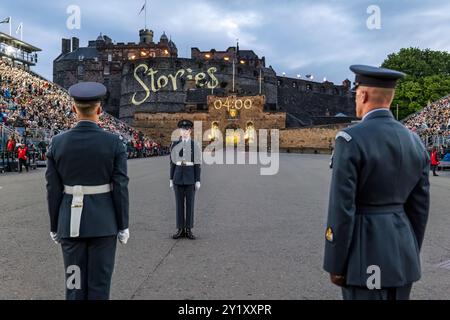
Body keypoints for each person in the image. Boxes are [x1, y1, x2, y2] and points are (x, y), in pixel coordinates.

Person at [324, 65, 430, 300]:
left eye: (356, 94)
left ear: (363, 95)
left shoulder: (351, 139)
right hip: (403, 257)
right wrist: (410, 251)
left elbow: (342, 209)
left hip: (364, 257)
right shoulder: (415, 141)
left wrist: (336, 263)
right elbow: (419, 209)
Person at [45, 82, 130, 300]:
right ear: (100, 109)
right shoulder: (114, 142)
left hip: (70, 225)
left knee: (74, 284)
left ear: (74, 109)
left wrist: (55, 224)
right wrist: (123, 225)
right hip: (103, 224)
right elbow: (120, 187)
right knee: (99, 286)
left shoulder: (57, 143)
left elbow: (53, 189)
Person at [170, 120, 202, 240]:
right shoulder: (175, 144)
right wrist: (170, 178)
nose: (184, 131)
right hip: (178, 176)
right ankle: (180, 229)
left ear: (190, 131)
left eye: (186, 129)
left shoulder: (195, 145)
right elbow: (172, 162)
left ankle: (188, 229)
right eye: (182, 129)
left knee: (190, 204)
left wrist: (198, 179)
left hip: (190, 177)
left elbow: (197, 163)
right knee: (179, 205)